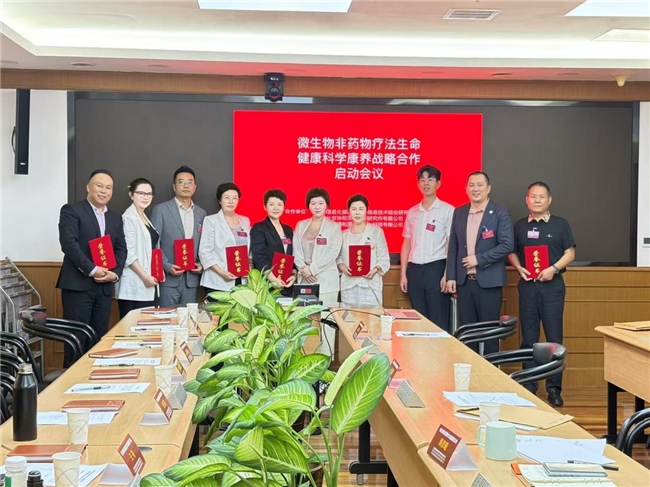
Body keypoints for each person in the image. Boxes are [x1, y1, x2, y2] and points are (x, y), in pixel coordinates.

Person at [508, 181, 575, 407]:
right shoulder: (520, 226)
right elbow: (512, 252)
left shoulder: (560, 224)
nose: (537, 200)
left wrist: (553, 269)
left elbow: (570, 253)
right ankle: (529, 385)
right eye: (533, 196)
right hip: (528, 286)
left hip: (552, 286)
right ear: (527, 200)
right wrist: (519, 267)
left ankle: (554, 388)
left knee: (554, 337)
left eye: (541, 196)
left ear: (549, 200)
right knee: (529, 337)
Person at [56, 169, 127, 366]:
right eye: (100, 186)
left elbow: (121, 248)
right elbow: (69, 244)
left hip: (104, 287)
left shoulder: (115, 217)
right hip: (78, 285)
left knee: (99, 338)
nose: (104, 191)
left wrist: (114, 274)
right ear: (88, 187)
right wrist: (93, 269)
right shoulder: (72, 211)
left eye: (109, 188)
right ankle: (71, 381)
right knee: (76, 339)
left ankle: (95, 379)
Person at [446, 172, 514, 354]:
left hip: (489, 283)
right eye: (471, 185)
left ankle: (491, 372)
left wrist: (479, 259)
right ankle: (470, 371)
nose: (475, 189)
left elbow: (507, 245)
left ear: (488, 188)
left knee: (490, 333)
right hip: (464, 283)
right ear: (466, 189)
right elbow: (453, 247)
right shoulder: (459, 212)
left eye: (479, 185)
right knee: (468, 334)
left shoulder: (500, 212)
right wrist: (451, 276)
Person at [400, 165, 454, 331]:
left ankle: (440, 349)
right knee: (418, 320)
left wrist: (447, 274)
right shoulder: (412, 212)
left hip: (436, 269)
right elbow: (406, 245)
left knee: (438, 320)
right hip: (414, 271)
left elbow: (451, 245)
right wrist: (403, 274)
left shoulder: (447, 210)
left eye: (430, 179)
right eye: (422, 180)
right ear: (418, 184)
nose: (426, 183)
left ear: (438, 183)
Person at [294, 188, 343, 357]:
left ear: (326, 205)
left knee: (327, 322)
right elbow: (296, 250)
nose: (317, 206)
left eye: (320, 203)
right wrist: (304, 269)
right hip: (305, 280)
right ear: (308, 205)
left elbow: (333, 253)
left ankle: (326, 361)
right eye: (313, 203)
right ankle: (304, 359)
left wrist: (312, 269)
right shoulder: (301, 225)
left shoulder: (334, 227)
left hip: (326, 281)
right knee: (304, 321)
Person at [150, 166, 205, 307]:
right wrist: (166, 266)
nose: (186, 185)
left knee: (189, 319)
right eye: (181, 182)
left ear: (195, 187)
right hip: (168, 280)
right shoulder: (160, 210)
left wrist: (201, 264)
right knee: (167, 318)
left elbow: (204, 244)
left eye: (189, 182)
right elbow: (153, 243)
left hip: (191, 280)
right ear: (174, 187)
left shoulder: (201, 213)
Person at [116, 178, 160, 318]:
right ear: (131, 194)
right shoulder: (129, 217)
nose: (145, 197)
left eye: (149, 194)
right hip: (134, 282)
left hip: (148, 280)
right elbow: (128, 252)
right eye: (141, 193)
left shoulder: (143, 216)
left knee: (147, 325)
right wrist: (145, 277)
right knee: (133, 326)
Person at [337, 194, 390, 308]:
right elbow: (338, 257)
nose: (357, 213)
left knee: (372, 317)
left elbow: (384, 258)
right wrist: (342, 266)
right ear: (348, 211)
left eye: (361, 209)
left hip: (370, 286)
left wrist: (375, 270)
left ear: (367, 211)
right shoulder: (343, 234)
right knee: (348, 317)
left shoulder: (376, 232)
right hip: (349, 287)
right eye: (354, 209)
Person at [199, 182, 251, 295]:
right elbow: (204, 252)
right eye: (227, 198)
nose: (231, 201)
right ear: (220, 200)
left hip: (241, 279)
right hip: (218, 280)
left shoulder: (245, 221)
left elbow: (248, 250)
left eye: (235, 198)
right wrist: (222, 273)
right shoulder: (211, 221)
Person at [250, 189, 296, 294]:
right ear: (265, 207)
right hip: (267, 285)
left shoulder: (288, 230)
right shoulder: (259, 228)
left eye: (279, 204)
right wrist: (273, 279)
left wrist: (294, 275)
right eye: (271, 204)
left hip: (286, 283)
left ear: (284, 207)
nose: (276, 208)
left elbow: (291, 255)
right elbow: (259, 257)